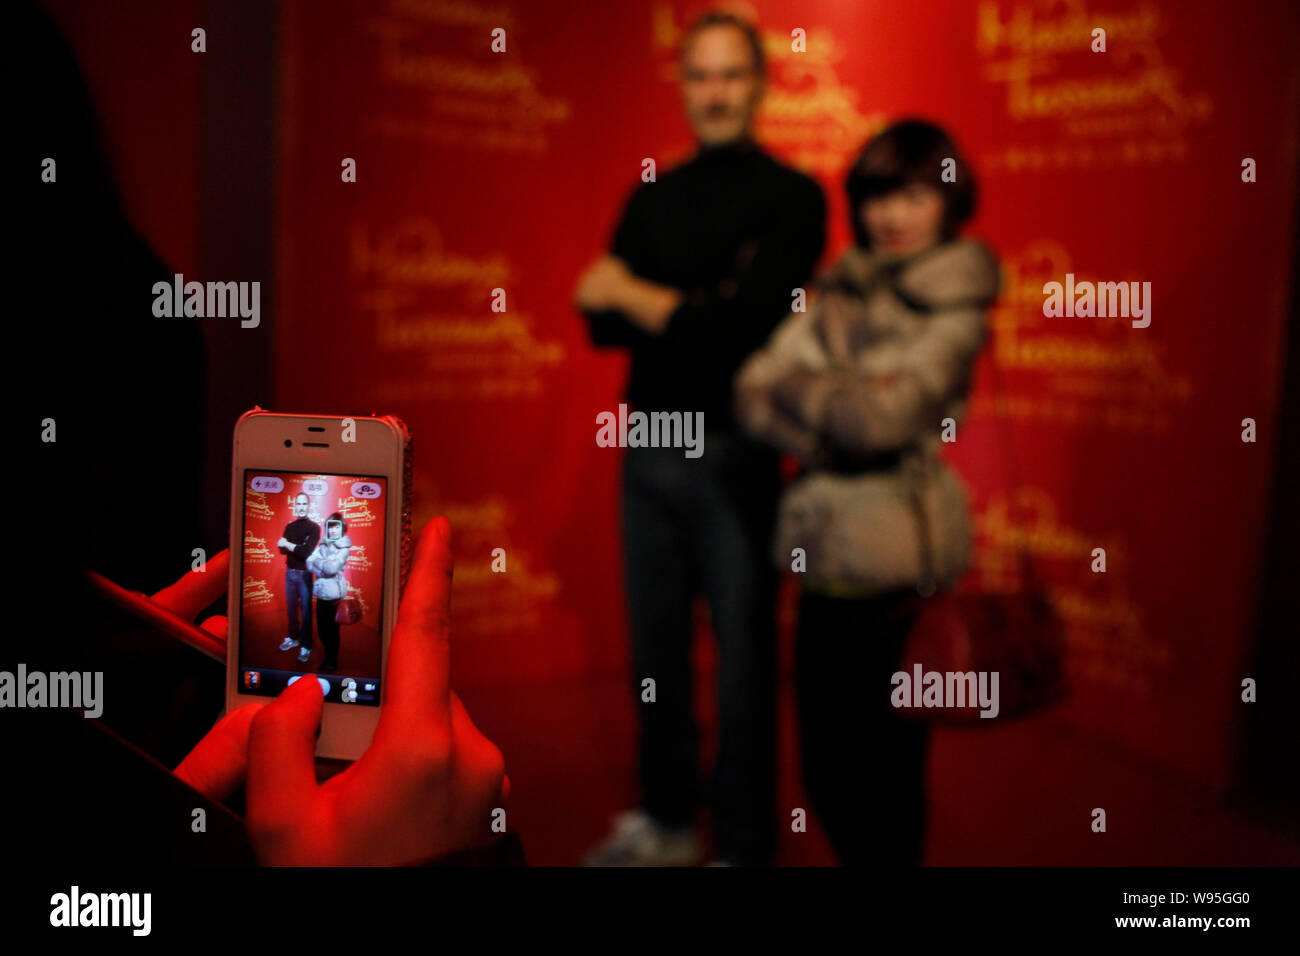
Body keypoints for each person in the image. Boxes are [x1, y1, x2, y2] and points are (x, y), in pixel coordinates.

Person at [574, 10, 826, 866]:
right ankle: (670, 822)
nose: (715, 93)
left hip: (740, 451)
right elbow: (594, 321)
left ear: (760, 83)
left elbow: (742, 332)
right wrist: (697, 304)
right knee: (656, 654)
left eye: (731, 75)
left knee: (747, 662)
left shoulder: (794, 199)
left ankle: (746, 847)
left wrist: (645, 297)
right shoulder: (652, 193)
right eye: (700, 76)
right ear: (682, 86)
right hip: (649, 444)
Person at [734, 119, 1000, 865]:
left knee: (886, 777)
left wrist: (810, 395)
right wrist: (831, 422)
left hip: (897, 571)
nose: (892, 215)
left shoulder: (955, 302)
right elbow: (752, 390)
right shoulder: (842, 285)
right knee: (824, 769)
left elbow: (883, 419)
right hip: (823, 567)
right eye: (879, 195)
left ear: (948, 202)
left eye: (912, 195)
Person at [278, 492, 321, 664]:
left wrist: (288, 544)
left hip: (304, 574)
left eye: (304, 504)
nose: (301, 507)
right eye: (299, 504)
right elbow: (281, 551)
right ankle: (294, 638)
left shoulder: (314, 528)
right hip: (290, 573)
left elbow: (305, 552)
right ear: (295, 506)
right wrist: (296, 546)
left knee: (306, 611)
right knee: (291, 610)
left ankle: (306, 645)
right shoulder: (290, 526)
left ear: (308, 506)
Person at [307, 512, 353, 673]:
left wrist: (320, 564)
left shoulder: (344, 546)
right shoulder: (323, 543)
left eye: (336, 527)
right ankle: (329, 657)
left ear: (342, 529)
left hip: (334, 596)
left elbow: (332, 568)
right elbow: (308, 563)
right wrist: (324, 565)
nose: (333, 531)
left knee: (332, 632)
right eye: (331, 527)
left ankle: (331, 661)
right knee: (321, 630)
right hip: (321, 594)